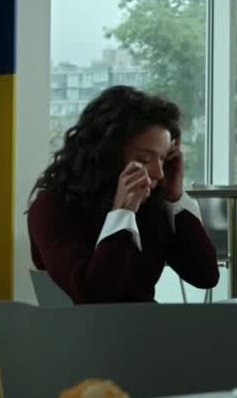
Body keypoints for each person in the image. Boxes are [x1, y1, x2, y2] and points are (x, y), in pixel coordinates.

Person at [27, 86, 219, 303]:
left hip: (145, 324)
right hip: (83, 325)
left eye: (163, 158)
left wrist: (175, 198)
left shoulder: (151, 205)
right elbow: (95, 297)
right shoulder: (52, 207)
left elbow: (205, 275)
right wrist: (123, 213)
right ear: (105, 154)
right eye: (144, 159)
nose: (158, 173)